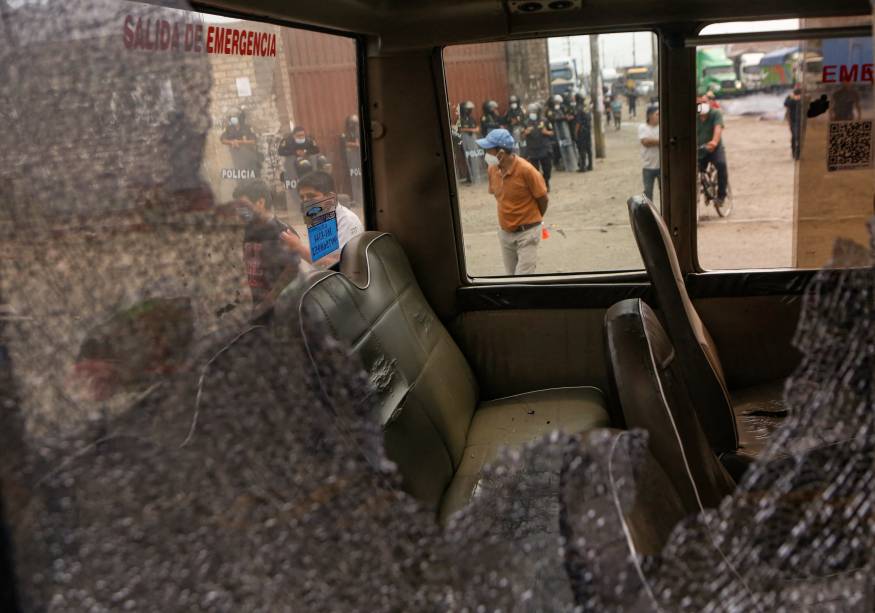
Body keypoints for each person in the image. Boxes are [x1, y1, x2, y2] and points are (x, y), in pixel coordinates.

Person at [477, 128, 549, 276]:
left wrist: (532, 221)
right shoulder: (492, 169)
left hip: (528, 234)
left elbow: (543, 198)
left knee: (523, 281)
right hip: (505, 234)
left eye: (488, 150)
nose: (485, 154)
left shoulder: (527, 171)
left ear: (501, 153)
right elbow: (499, 196)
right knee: (511, 279)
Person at [233, 179, 300, 308]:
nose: (240, 211)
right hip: (254, 305)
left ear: (260, 202)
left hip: (279, 309)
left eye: (243, 206)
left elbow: (292, 272)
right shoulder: (246, 230)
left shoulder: (284, 232)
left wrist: (269, 301)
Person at [282, 171, 364, 269]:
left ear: (330, 197)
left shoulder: (347, 221)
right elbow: (320, 256)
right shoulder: (317, 216)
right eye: (302, 197)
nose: (305, 201)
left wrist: (298, 248)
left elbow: (338, 265)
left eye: (311, 196)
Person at [697, 93, 729, 205]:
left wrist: (714, 142)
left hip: (714, 149)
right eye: (699, 103)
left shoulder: (716, 114)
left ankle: (721, 196)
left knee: (721, 165)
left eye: (704, 102)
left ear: (710, 102)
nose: (702, 105)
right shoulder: (694, 116)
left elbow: (718, 128)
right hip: (699, 150)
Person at [523, 103, 555, 190]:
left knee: (547, 168)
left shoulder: (545, 121)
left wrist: (546, 132)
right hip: (532, 150)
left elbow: (552, 133)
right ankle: (539, 186)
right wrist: (526, 132)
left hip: (544, 148)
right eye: (531, 111)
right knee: (534, 171)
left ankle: (546, 182)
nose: (532, 113)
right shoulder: (526, 122)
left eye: (534, 111)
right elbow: (521, 136)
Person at [221, 111, 260, 177]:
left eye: (235, 118)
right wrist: (232, 142)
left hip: (249, 155)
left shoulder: (247, 127)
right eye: (232, 118)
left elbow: (253, 141)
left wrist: (239, 142)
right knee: (240, 175)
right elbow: (223, 140)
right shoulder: (229, 128)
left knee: (252, 174)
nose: (233, 120)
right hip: (236, 156)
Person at [339, 114, 364, 206]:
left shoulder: (359, 131)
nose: (354, 124)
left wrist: (352, 144)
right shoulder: (345, 134)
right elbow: (346, 145)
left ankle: (361, 200)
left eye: (356, 122)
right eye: (352, 122)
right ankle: (357, 200)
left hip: (359, 160)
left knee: (360, 179)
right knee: (355, 179)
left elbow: (357, 144)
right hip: (352, 161)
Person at [638, 105, 660, 201]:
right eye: (657, 114)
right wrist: (660, 141)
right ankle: (650, 214)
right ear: (650, 116)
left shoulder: (662, 127)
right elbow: (645, 142)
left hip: (661, 166)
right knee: (648, 193)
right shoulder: (642, 127)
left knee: (665, 192)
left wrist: (654, 141)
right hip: (647, 166)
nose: (659, 116)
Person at [459, 100, 484, 183]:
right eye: (468, 109)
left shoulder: (471, 118)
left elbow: (477, 128)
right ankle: (472, 178)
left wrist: (475, 129)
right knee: (469, 158)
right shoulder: (460, 119)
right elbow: (460, 129)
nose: (470, 110)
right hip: (466, 139)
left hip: (473, 138)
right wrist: (472, 129)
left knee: (475, 157)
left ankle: (477, 177)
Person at [573, 92, 593, 172]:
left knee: (582, 149)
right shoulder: (586, 107)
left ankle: (583, 167)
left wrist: (575, 132)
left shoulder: (578, 108)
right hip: (588, 129)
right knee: (588, 148)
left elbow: (578, 122)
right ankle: (590, 165)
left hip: (581, 131)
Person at [783, 86, 802, 160]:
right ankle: (794, 153)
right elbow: (786, 104)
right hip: (793, 121)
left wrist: (799, 99)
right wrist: (793, 98)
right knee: (795, 136)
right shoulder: (790, 98)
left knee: (799, 137)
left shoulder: (803, 98)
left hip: (801, 121)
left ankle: (798, 153)